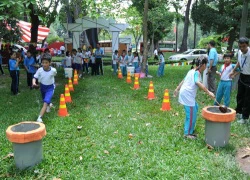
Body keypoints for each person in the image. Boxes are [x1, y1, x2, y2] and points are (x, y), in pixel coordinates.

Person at [174, 57, 215, 139]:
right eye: (206, 65)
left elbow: (184, 80)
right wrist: (208, 92)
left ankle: (189, 128)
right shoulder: (196, 73)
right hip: (187, 96)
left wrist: (177, 89)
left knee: (195, 108)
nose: (206, 67)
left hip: (185, 94)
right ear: (203, 65)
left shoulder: (192, 71)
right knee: (191, 115)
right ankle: (187, 133)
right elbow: (197, 82)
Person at [230, 37, 250, 124]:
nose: (242, 48)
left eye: (244, 46)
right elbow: (239, 62)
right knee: (239, 95)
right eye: (240, 46)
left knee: (247, 98)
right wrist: (233, 70)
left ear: (248, 45)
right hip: (242, 76)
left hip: (249, 77)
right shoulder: (239, 52)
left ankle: (245, 118)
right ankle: (238, 112)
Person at [32, 53, 57, 123]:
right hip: (42, 87)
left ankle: (39, 118)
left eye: (46, 63)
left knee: (45, 102)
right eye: (43, 63)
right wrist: (34, 83)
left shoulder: (53, 70)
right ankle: (49, 106)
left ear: (50, 63)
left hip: (50, 88)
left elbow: (54, 75)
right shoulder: (40, 70)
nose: (44, 64)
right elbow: (34, 77)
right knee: (45, 100)